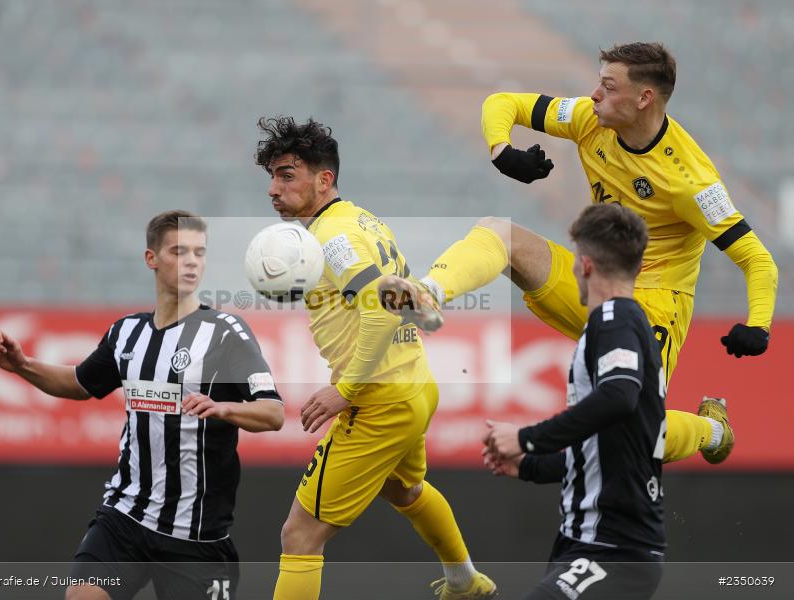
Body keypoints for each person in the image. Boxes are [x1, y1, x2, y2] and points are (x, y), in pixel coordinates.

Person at [382, 42, 778, 465]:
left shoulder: (692, 181)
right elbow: (502, 103)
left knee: (641, 435)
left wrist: (758, 324)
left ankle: (713, 429)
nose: (594, 94)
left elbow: (758, 260)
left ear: (644, 98)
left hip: (653, 307)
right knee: (497, 232)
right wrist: (502, 150)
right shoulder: (591, 119)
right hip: (594, 280)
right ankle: (427, 293)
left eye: (608, 86)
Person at [0, 210, 284, 600]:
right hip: (124, 518)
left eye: (199, 252)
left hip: (196, 538)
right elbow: (79, 384)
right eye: (179, 251)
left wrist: (225, 409)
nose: (192, 261)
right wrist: (23, 366)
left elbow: (273, 413)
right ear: (151, 258)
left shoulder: (226, 332)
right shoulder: (126, 333)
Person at [255, 116, 497, 600]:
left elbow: (384, 311)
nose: (273, 190)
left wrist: (345, 390)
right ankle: (465, 581)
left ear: (324, 180)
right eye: (272, 177)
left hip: (377, 399)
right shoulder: (360, 220)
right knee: (403, 490)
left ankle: (465, 581)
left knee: (299, 536)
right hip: (413, 386)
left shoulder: (332, 238)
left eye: (286, 175)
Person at [484, 203, 667, 600]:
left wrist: (528, 438)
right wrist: (532, 465)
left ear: (584, 265)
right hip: (589, 545)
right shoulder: (627, 322)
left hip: (614, 549)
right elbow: (607, 449)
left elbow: (619, 396)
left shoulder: (614, 319)